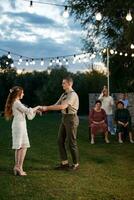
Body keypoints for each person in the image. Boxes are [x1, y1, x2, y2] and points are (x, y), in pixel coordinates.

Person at [41, 77, 79, 171]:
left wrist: (46, 108)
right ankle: (64, 163)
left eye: (64, 83)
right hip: (64, 118)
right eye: (62, 83)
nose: (62, 85)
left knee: (71, 142)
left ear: (70, 84)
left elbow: (62, 106)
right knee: (60, 140)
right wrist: (44, 109)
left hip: (71, 118)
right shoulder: (64, 94)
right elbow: (56, 104)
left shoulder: (72, 95)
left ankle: (76, 164)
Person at [4, 86, 40, 176]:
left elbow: (29, 115)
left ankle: (17, 167)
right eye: (22, 93)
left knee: (21, 146)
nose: (23, 94)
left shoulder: (17, 102)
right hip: (19, 126)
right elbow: (28, 111)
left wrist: (35, 111)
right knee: (22, 147)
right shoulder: (16, 102)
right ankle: (19, 167)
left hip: (21, 126)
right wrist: (38, 107)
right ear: (18, 93)